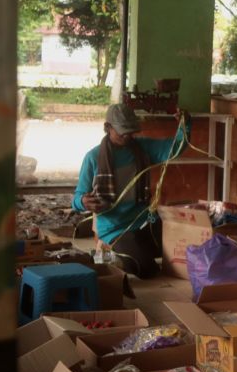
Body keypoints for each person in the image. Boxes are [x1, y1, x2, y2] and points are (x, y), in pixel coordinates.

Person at [73, 103, 189, 278]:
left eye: (130, 131)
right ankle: (109, 252)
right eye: (122, 131)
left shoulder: (142, 148)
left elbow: (176, 148)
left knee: (183, 247)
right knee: (145, 269)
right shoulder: (93, 157)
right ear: (107, 128)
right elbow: (77, 197)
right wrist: (83, 202)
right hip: (116, 229)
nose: (127, 136)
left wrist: (185, 125)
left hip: (145, 221)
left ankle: (131, 252)